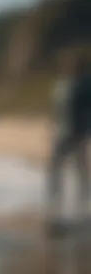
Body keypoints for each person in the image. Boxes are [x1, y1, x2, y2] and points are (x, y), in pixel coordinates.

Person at [47, 55, 91, 227]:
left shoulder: (85, 85)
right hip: (62, 134)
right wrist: (52, 127)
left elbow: (87, 110)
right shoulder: (64, 85)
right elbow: (57, 110)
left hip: (76, 133)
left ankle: (82, 208)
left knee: (79, 170)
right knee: (56, 170)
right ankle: (56, 207)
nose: (69, 68)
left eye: (72, 65)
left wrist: (85, 131)